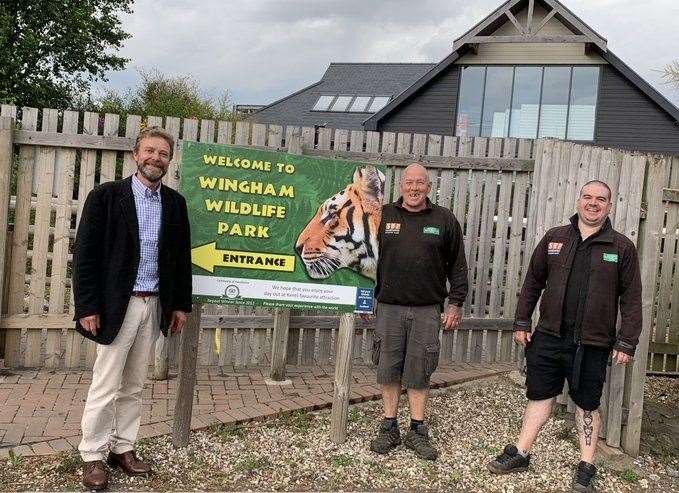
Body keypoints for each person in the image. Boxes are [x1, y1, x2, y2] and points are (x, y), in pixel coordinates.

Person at [487, 180, 642, 492]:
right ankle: (521, 453)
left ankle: (586, 467)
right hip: (548, 337)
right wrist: (521, 322)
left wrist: (627, 341)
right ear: (579, 200)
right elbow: (533, 282)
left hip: (593, 344)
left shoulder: (621, 247)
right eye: (588, 197)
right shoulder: (554, 238)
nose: (593, 203)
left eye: (601, 199)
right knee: (539, 396)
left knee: (587, 404)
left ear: (609, 206)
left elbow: (632, 299)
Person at [73, 126, 193, 490]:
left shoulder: (174, 203)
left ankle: (123, 449)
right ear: (135, 155)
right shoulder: (106, 197)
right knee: (105, 384)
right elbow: (85, 256)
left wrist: (180, 306)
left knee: (135, 385)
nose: (156, 158)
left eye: (163, 154)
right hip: (116, 307)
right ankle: (92, 454)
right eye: (150, 151)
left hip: (153, 304)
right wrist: (87, 306)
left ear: (169, 161)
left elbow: (180, 261)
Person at [368, 162, 468, 461]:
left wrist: (456, 302)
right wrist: (363, 298)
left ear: (429, 187)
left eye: (420, 183)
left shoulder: (445, 220)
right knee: (387, 367)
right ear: (401, 186)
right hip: (389, 307)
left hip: (427, 309)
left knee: (420, 369)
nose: (414, 188)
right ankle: (389, 426)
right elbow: (364, 259)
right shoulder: (382, 216)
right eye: (409, 182)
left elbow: (458, 266)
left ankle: (417, 429)